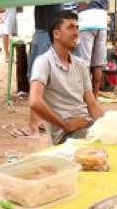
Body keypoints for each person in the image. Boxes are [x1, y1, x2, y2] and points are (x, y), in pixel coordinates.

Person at [29, 10, 104, 143]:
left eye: (77, 28)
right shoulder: (44, 62)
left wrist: (106, 126)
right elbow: (35, 101)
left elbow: (92, 105)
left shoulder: (80, 64)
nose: (76, 33)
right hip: (66, 135)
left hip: (86, 126)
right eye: (70, 28)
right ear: (56, 34)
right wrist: (65, 125)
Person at [11, 3, 64, 138]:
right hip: (52, 29)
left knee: (36, 78)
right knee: (47, 78)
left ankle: (33, 126)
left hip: (44, 30)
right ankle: (42, 121)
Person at [75, 0, 109, 97]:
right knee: (98, 64)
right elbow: (107, 4)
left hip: (86, 21)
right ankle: (95, 96)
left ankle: (88, 96)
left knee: (85, 63)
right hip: (101, 21)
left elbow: (83, 2)